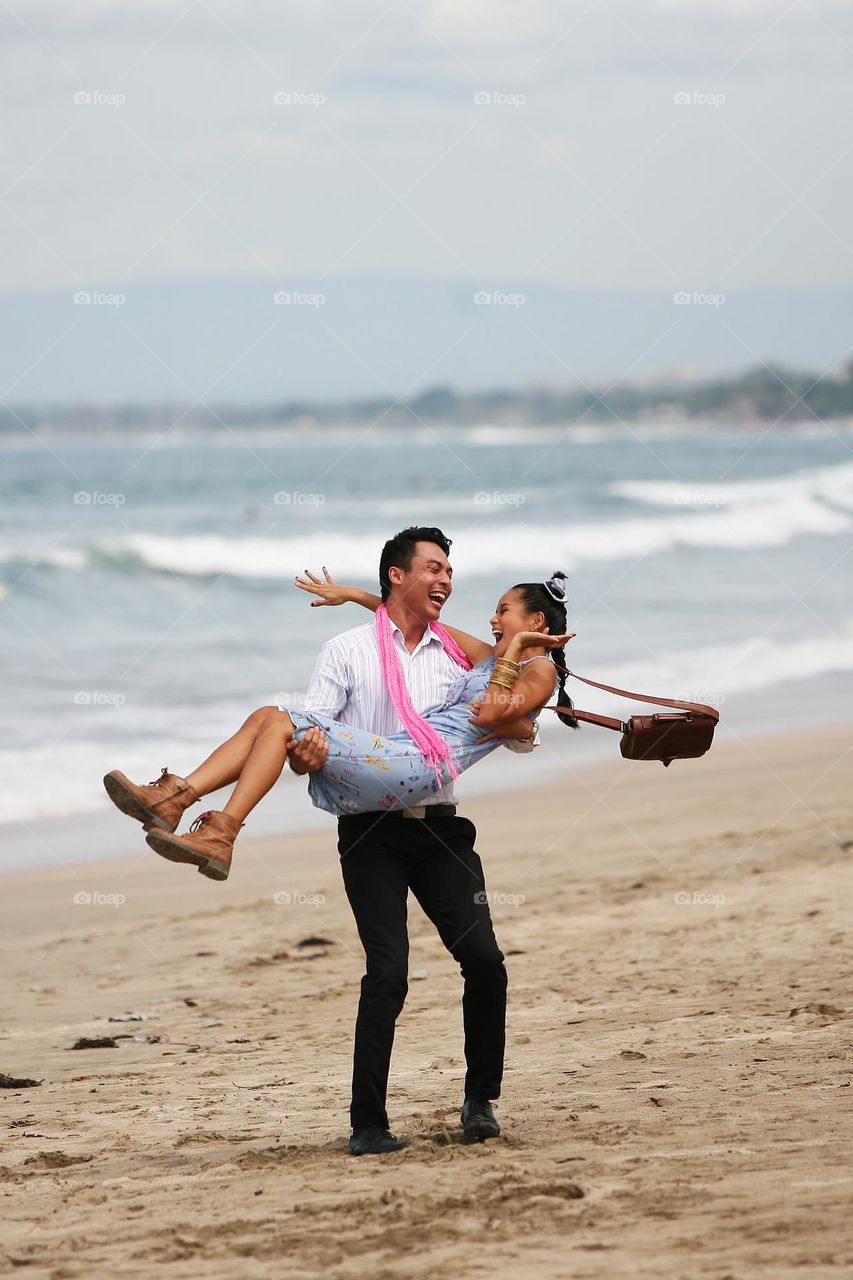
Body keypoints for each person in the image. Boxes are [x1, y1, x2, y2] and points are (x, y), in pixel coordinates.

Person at [102, 527, 577, 1153]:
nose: (456, 590)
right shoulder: (351, 652)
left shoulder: (486, 663)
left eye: (453, 574)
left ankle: (479, 1101)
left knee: (484, 962)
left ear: (532, 621)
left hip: (435, 821)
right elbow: (301, 752)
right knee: (388, 972)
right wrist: (310, 750)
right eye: (432, 569)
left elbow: (497, 712)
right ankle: (368, 1125)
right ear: (398, 577)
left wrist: (517, 651)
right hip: (369, 830)